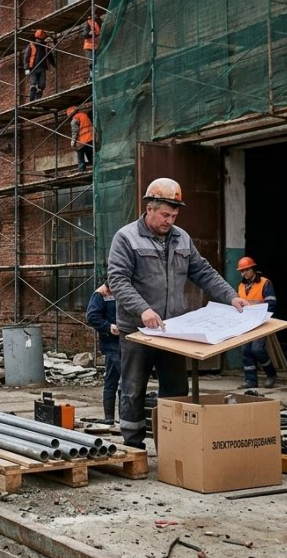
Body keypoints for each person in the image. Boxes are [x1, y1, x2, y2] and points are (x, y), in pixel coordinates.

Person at [106, 177, 248, 449]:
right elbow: (118, 281)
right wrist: (143, 309)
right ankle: (133, 446)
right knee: (133, 389)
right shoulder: (126, 238)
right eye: (164, 214)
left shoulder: (181, 238)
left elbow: (203, 272)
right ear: (149, 208)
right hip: (137, 331)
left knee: (176, 391)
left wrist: (231, 296)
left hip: (172, 331)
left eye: (174, 215)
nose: (169, 220)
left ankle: (172, 447)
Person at [236, 256, 278, 389]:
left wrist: (264, 319)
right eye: (242, 271)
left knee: (257, 350)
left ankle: (271, 375)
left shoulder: (265, 283)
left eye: (246, 270)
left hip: (261, 322)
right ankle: (250, 380)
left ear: (253, 269)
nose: (244, 273)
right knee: (246, 351)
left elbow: (271, 303)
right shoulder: (241, 286)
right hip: (247, 323)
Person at [85, 283, 121, 424]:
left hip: (124, 342)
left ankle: (110, 418)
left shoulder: (123, 291)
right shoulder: (101, 294)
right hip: (111, 343)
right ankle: (122, 418)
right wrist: (108, 327)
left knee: (111, 380)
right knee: (127, 380)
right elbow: (92, 316)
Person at [24, 29, 55, 101]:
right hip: (33, 67)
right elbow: (26, 57)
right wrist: (26, 68)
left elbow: (50, 57)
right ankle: (32, 99)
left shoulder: (45, 47)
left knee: (41, 85)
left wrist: (54, 66)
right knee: (33, 84)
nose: (39, 41)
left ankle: (38, 98)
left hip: (42, 67)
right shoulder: (31, 46)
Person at [67, 106, 95, 173]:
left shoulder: (75, 119)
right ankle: (95, 167)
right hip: (91, 138)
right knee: (90, 155)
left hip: (83, 140)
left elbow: (75, 131)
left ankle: (81, 170)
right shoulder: (84, 115)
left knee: (80, 154)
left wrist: (73, 141)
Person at [83, 16, 101, 83]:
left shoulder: (97, 22)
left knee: (95, 63)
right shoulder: (88, 23)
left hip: (95, 46)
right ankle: (92, 78)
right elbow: (84, 35)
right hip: (89, 46)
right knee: (92, 63)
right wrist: (91, 34)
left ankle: (92, 77)